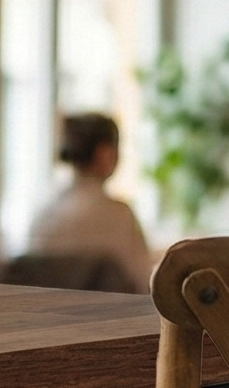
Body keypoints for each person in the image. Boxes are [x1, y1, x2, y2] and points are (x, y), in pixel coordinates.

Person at [26, 111, 154, 292]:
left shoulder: (41, 213)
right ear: (105, 153)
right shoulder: (118, 216)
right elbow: (145, 285)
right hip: (108, 317)